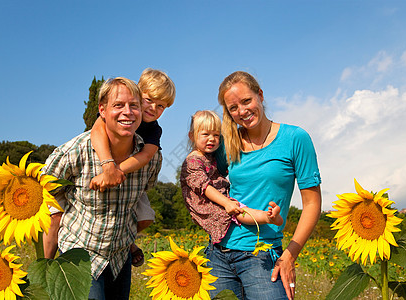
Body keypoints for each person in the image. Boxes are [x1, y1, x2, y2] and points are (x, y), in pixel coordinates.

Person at [42, 77, 162, 300]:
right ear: (102, 110)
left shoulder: (151, 159)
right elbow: (42, 187)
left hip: (119, 257)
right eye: (118, 105)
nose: (128, 112)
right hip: (79, 256)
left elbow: (141, 196)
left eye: (133, 105)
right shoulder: (75, 151)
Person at [207, 71, 322, 300]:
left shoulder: (295, 138)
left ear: (260, 95)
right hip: (218, 255)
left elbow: (312, 204)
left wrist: (289, 255)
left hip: (261, 255)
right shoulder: (226, 143)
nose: (242, 111)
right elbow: (201, 178)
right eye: (233, 108)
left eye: (247, 101)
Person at [89, 68, 175, 267]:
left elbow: (146, 155)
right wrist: (107, 165)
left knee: (145, 218)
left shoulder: (154, 129)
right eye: (149, 100)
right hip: (103, 167)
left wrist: (118, 170)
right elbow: (96, 131)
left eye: (161, 105)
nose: (153, 108)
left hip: (131, 177)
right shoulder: (120, 114)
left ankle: (126, 242)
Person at [180, 110, 283, 245]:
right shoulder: (193, 160)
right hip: (206, 201)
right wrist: (226, 203)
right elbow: (205, 188)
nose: (212, 139)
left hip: (218, 195)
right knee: (237, 211)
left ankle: (268, 217)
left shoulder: (209, 155)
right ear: (192, 136)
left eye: (216, 135)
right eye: (205, 134)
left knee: (239, 208)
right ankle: (267, 217)